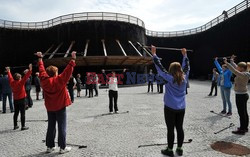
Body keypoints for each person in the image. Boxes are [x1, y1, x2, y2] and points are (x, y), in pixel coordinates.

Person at [152, 46, 190, 157]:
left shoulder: (168, 77)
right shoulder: (185, 77)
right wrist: (185, 55)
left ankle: (169, 149)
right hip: (181, 107)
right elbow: (187, 66)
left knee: (170, 129)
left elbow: (160, 67)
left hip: (170, 107)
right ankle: (180, 148)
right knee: (180, 127)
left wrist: (154, 54)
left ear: (171, 70)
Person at [36, 51, 76, 154]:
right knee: (61, 126)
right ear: (55, 73)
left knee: (51, 126)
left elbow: (41, 70)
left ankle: (49, 146)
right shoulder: (59, 80)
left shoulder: (44, 80)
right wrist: (73, 59)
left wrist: (40, 59)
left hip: (50, 107)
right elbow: (68, 71)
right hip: (60, 106)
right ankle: (62, 148)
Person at [224, 56, 250, 135]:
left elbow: (235, 71)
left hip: (241, 96)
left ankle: (242, 129)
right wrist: (231, 61)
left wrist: (227, 64)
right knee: (244, 112)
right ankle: (244, 127)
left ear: (242, 68)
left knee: (242, 113)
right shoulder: (243, 72)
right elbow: (236, 68)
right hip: (241, 95)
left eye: (238, 67)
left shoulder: (245, 74)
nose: (237, 67)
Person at [6, 64, 32, 130]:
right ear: (19, 78)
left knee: (16, 113)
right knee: (22, 113)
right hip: (22, 99)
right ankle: (23, 126)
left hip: (15, 99)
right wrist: (30, 69)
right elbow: (26, 77)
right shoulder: (20, 82)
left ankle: (15, 125)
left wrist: (8, 71)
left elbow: (10, 77)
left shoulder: (12, 82)